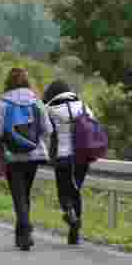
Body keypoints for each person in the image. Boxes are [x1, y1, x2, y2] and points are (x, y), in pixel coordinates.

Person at [0, 67, 53, 251]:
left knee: (18, 194)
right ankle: (22, 234)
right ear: (27, 81)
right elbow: (47, 129)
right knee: (24, 193)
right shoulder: (36, 101)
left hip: (12, 154)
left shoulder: (3, 103)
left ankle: (24, 231)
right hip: (34, 154)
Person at [43, 79, 94, 245]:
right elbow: (94, 125)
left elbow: (46, 132)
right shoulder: (83, 106)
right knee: (75, 190)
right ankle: (74, 234)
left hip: (62, 157)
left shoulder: (49, 109)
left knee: (63, 191)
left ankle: (70, 213)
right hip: (82, 156)